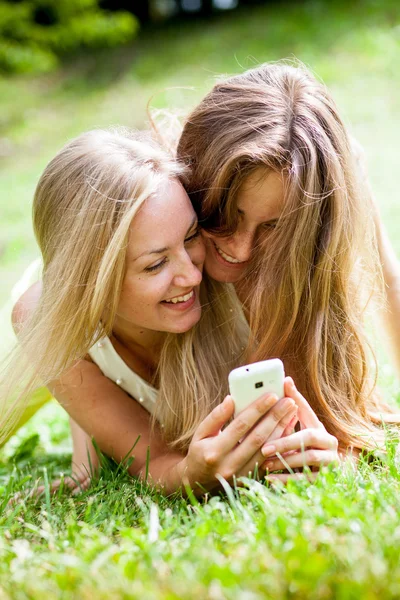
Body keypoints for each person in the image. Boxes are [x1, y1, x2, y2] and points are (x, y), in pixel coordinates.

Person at [2, 127, 315, 496]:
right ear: (93, 282)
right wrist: (192, 472)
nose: (192, 274)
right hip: (72, 327)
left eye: (190, 236)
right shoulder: (46, 320)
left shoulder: (231, 278)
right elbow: (157, 464)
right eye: (155, 265)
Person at [176, 60, 400, 467]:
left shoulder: (327, 201)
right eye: (225, 214)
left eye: (273, 226)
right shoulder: (157, 199)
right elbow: (77, 310)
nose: (241, 250)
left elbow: (386, 276)